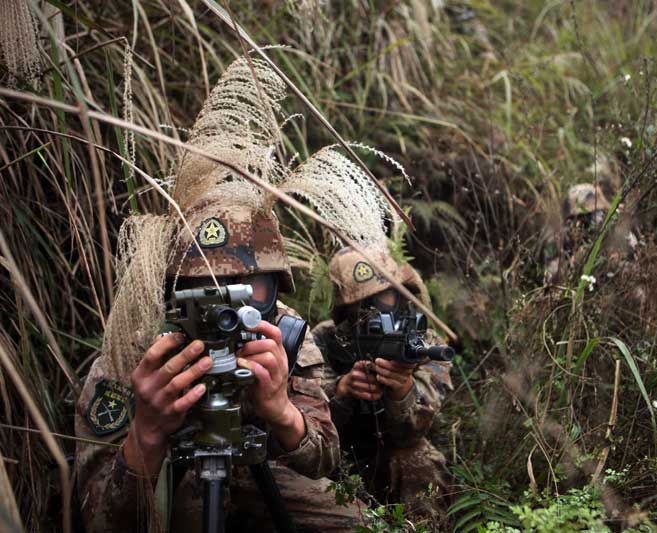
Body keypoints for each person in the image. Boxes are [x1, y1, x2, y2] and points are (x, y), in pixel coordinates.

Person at [74, 200, 363, 532]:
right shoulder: (136, 352)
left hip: (261, 476)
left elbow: (324, 458)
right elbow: (100, 523)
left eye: (247, 288)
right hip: (173, 481)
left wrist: (283, 412)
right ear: (173, 293)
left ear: (273, 292)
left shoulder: (280, 331)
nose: (225, 311)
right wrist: (147, 435)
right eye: (203, 291)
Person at [311, 242, 453, 522]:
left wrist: (402, 390)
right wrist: (342, 389)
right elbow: (305, 415)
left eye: (387, 298)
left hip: (393, 453)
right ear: (346, 310)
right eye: (366, 305)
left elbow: (413, 434)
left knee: (419, 458)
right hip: (338, 455)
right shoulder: (325, 339)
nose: (378, 312)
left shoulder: (426, 343)